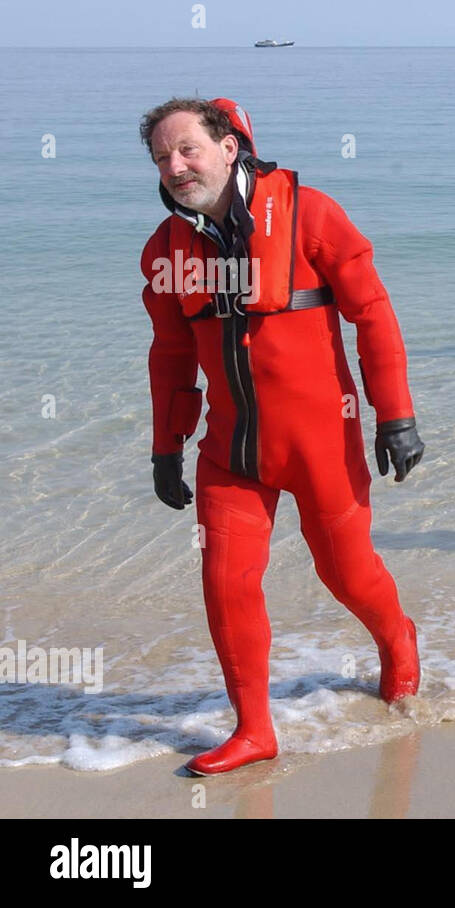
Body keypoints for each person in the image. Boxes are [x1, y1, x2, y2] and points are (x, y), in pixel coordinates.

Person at [139, 97, 425, 775]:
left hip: (323, 441)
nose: (175, 166)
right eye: (160, 157)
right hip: (232, 452)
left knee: (346, 573)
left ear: (230, 146)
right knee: (225, 580)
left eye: (187, 149)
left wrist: (396, 415)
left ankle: (398, 641)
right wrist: (165, 445)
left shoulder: (311, 213)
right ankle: (255, 729)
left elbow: (373, 314)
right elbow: (171, 355)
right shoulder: (166, 249)